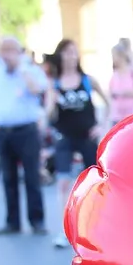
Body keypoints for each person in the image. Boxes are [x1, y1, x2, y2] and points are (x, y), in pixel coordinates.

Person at [0, 36, 49, 235]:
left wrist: (22, 71)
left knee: (31, 177)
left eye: (11, 50)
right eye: (4, 50)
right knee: (8, 178)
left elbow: (37, 90)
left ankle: (36, 220)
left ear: (19, 52)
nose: (7, 55)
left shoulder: (30, 71)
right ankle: (12, 222)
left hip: (26, 130)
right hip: (3, 132)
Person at [47, 39, 110, 250]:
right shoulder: (55, 83)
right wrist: (51, 100)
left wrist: (101, 126)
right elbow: (49, 114)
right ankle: (65, 230)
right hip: (65, 136)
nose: (71, 56)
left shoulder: (87, 80)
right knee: (63, 182)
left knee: (93, 182)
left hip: (86, 136)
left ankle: (95, 228)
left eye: (74, 52)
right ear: (60, 56)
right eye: (67, 53)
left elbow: (107, 102)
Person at [108, 45, 133, 124]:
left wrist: (127, 93)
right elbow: (111, 91)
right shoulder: (115, 74)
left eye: (114, 56)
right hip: (117, 118)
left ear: (121, 56)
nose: (113, 59)